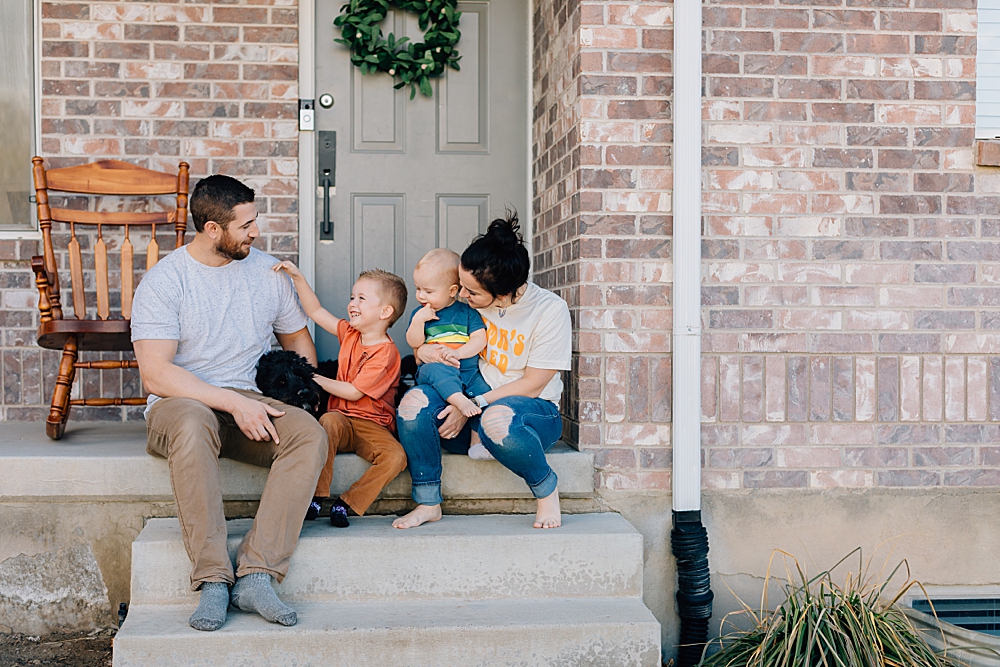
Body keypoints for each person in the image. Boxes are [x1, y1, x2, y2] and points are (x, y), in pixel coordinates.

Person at [131, 175, 328, 632]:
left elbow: (297, 339)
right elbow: (157, 373)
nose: (255, 231)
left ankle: (257, 573)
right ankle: (214, 578)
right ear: (213, 230)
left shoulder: (266, 272)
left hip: (250, 403)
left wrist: (303, 395)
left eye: (255, 220)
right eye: (246, 224)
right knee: (192, 423)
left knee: (307, 435)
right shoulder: (165, 281)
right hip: (180, 401)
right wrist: (228, 402)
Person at [392, 212, 572, 531]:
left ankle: (546, 490)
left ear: (502, 293)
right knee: (412, 405)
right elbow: (427, 349)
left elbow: (532, 385)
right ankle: (428, 502)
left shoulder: (549, 310)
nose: (462, 296)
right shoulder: (467, 306)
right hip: (466, 411)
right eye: (461, 287)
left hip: (526, 418)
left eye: (471, 292)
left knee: (497, 419)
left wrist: (472, 406)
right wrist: (423, 351)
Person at [273, 261, 409, 528]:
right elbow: (315, 310)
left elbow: (354, 392)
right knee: (328, 421)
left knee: (396, 457)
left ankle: (347, 502)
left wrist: (312, 376)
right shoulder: (350, 333)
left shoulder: (386, 354)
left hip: (373, 426)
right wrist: (298, 277)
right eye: (352, 297)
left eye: (361, 298)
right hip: (342, 420)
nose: (352, 303)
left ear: (385, 311)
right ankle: (316, 496)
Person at [405, 248, 491, 457]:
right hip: (434, 369)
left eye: (428, 291)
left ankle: (476, 443)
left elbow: (480, 339)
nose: (421, 296)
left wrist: (459, 354)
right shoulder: (420, 314)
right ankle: (459, 401)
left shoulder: (468, 313)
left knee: (485, 391)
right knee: (436, 370)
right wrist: (418, 321)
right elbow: (414, 343)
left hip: (467, 370)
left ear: (452, 291)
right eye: (418, 289)